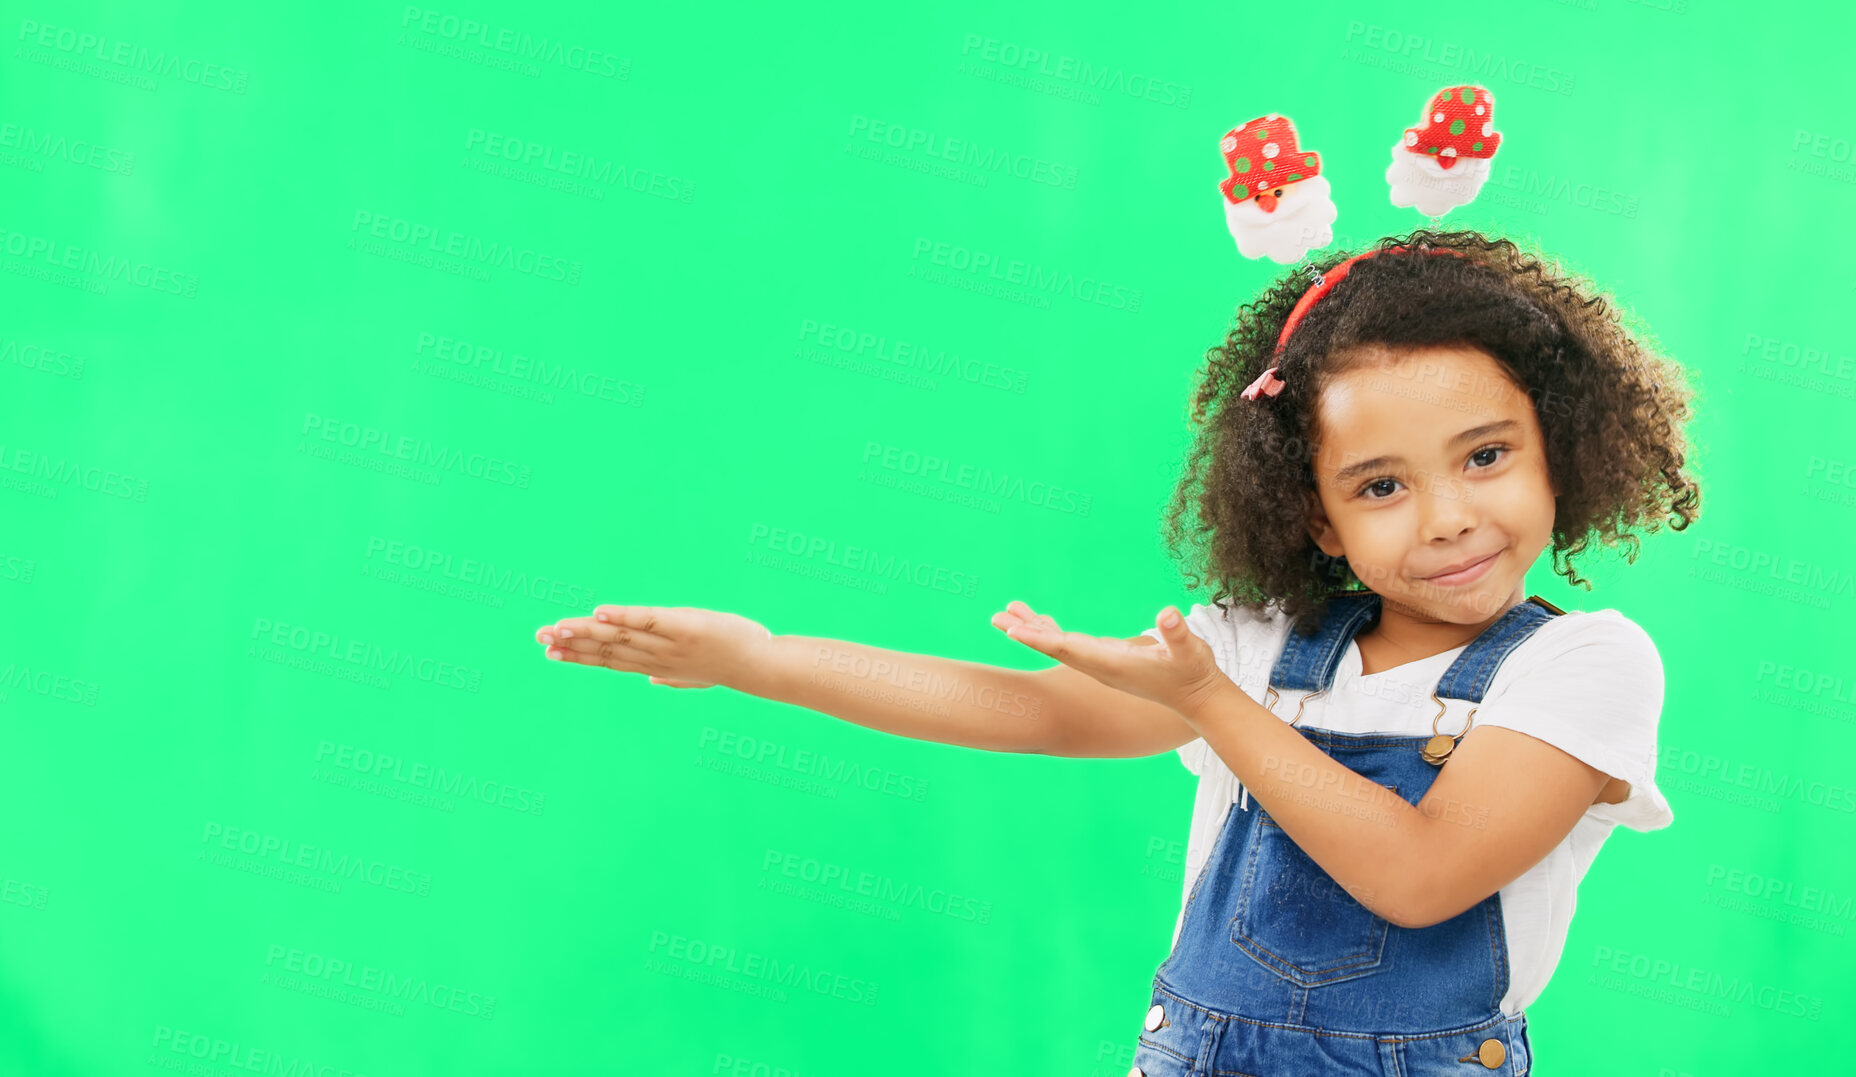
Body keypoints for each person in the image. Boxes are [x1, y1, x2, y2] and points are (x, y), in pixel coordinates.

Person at [532, 228, 1702, 1075]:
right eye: (1380, 484)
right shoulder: (1264, 645)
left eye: (1483, 456)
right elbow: (1025, 710)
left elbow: (1418, 874)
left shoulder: (1581, 667)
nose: (1445, 515)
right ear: (1313, 516)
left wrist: (1207, 702)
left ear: (1561, 447)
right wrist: (763, 657)